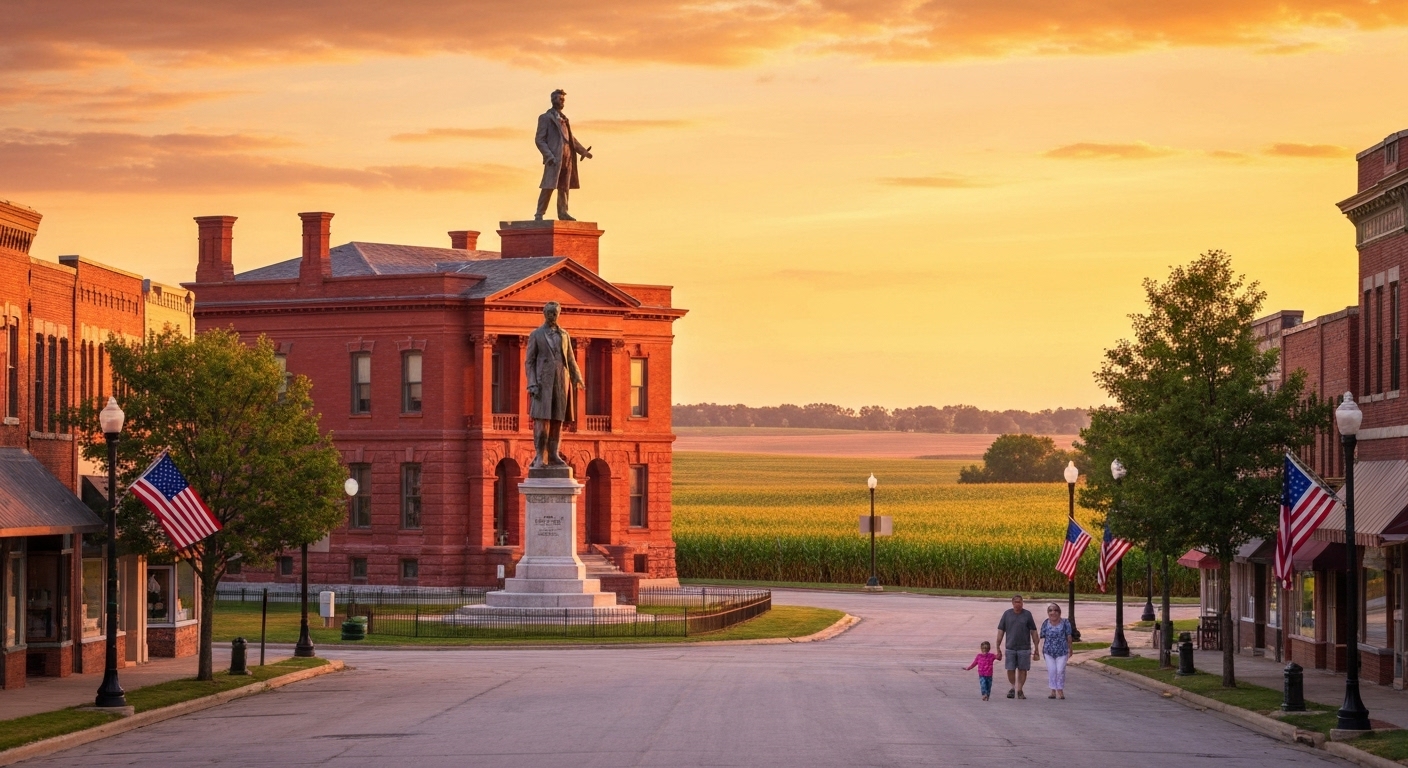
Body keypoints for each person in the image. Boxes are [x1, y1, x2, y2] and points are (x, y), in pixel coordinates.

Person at [524, 301, 584, 468]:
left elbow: (570, 359)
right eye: (550, 313)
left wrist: (577, 377)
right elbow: (529, 362)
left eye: (555, 313)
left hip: (561, 382)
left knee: (558, 420)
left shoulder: (564, 335)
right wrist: (532, 383)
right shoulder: (536, 334)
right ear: (545, 314)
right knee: (542, 421)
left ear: (559, 314)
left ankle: (553, 454)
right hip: (542, 384)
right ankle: (539, 456)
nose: (552, 316)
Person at [534, 89, 593, 221]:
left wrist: (583, 151)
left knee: (564, 187)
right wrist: (548, 155)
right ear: (553, 100)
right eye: (560, 99)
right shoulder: (545, 118)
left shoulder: (565, 119)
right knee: (548, 186)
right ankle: (539, 213)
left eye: (563, 100)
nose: (562, 102)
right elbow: (539, 140)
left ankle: (563, 212)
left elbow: (570, 139)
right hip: (554, 158)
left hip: (567, 157)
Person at [994, 594, 1040, 699]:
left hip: (1024, 648)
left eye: (1020, 602)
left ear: (1022, 603)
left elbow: (1033, 631)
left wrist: (1036, 647)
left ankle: (1019, 689)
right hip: (1010, 647)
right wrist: (998, 646)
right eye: (1016, 602)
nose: (1018, 604)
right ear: (1012, 603)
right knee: (1010, 669)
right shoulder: (1007, 614)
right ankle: (1012, 687)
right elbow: (1001, 631)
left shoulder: (1027, 615)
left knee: (1023, 669)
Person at [1040, 603, 1073, 699]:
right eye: (1050, 610)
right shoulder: (1046, 623)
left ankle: (1060, 689)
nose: (1053, 612)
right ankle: (1053, 690)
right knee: (1052, 670)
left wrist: (1070, 648)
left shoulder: (1065, 623)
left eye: (1055, 610)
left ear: (1059, 612)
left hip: (1062, 651)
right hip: (1048, 651)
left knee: (1060, 670)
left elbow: (1069, 636)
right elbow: (1042, 637)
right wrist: (1039, 649)